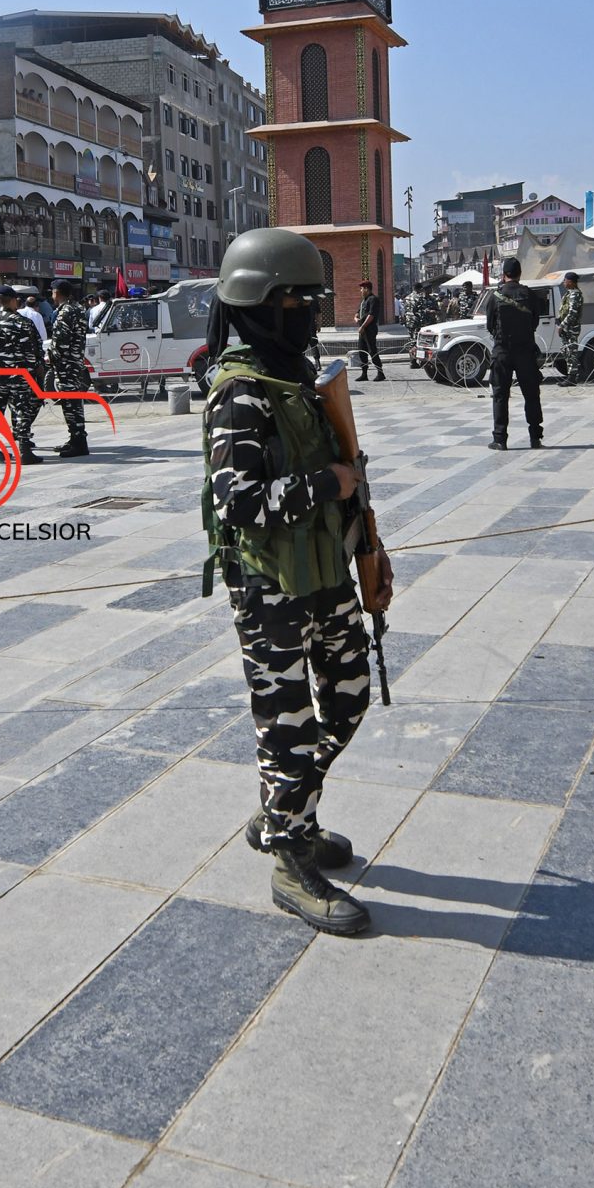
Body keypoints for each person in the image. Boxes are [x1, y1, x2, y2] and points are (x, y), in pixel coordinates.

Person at [200, 227, 377, 937]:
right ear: (263, 303)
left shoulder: (296, 380)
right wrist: (322, 483)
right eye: (299, 300)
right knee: (289, 727)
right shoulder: (238, 393)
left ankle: (285, 812)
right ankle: (289, 855)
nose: (309, 313)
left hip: (326, 573)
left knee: (350, 696)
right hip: (271, 589)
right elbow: (236, 502)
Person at [480, 258, 547, 450]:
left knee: (500, 395)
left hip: (502, 351)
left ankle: (500, 439)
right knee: (532, 395)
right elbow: (535, 321)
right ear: (519, 274)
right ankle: (535, 437)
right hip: (526, 350)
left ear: (504, 274)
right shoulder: (529, 294)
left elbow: (490, 325)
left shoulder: (496, 296)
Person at [0, 284, 46, 464]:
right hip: (20, 377)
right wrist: (37, 368)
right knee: (22, 412)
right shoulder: (23, 323)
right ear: (13, 301)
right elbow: (34, 351)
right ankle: (24, 450)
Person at [47, 277, 94, 457]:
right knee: (73, 401)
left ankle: (79, 442)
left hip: (66, 364)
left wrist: (51, 358)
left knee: (70, 403)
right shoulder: (78, 309)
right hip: (74, 362)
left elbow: (61, 342)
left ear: (57, 293)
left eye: (52, 292)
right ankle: (76, 438)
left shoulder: (66, 312)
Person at [552, 270, 585, 381]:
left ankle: (572, 377)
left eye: (565, 281)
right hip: (567, 328)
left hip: (571, 329)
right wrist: (559, 321)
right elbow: (564, 310)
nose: (564, 283)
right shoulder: (570, 293)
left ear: (570, 282)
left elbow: (572, 313)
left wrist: (562, 325)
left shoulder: (575, 295)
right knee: (567, 351)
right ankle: (571, 375)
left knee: (571, 353)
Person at [354, 280, 387, 382]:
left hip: (369, 329)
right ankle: (364, 373)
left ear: (367, 289)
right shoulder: (363, 300)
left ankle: (380, 373)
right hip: (362, 330)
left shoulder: (374, 299)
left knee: (372, 350)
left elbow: (371, 315)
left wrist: (363, 326)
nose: (360, 290)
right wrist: (356, 318)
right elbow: (357, 313)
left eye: (362, 288)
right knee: (361, 351)